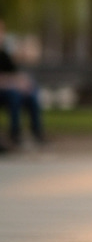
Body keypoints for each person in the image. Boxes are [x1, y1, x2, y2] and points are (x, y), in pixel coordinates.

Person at [0, 20, 46, 148]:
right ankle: (15, 134)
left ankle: (37, 133)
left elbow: (13, 74)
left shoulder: (4, 55)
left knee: (31, 94)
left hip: (7, 89)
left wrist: (23, 82)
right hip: (5, 92)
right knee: (14, 95)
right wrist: (12, 82)